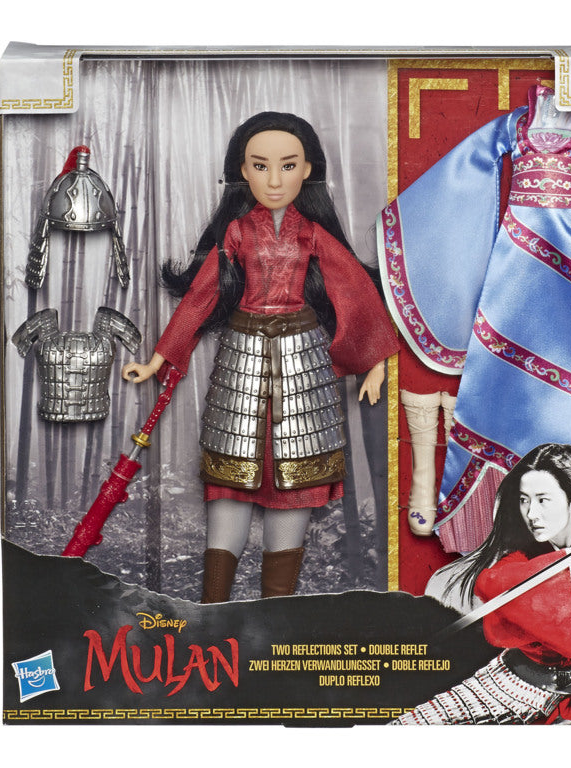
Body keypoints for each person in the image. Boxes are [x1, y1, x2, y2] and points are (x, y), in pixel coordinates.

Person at [123, 112, 398, 603]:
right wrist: (159, 358)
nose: (274, 180)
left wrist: (373, 360)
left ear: (307, 170)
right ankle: (213, 610)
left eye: (288, 166)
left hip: (302, 361)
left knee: (296, 471)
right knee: (230, 472)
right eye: (260, 166)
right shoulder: (237, 232)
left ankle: (276, 615)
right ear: (242, 171)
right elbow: (201, 296)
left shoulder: (310, 233)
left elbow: (353, 288)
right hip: (243, 358)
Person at [395, 443, 571, 725]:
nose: (531, 514)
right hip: (517, 690)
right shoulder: (516, 562)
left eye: (543, 500)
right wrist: (570, 559)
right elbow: (493, 583)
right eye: (524, 500)